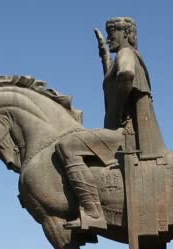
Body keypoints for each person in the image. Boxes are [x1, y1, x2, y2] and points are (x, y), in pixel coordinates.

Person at [55, 17, 166, 231]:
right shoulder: (125, 55)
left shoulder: (126, 54)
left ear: (125, 33)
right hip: (127, 130)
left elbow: (125, 74)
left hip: (127, 133)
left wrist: (119, 107)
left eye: (112, 32)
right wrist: (105, 56)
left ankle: (93, 212)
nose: (109, 37)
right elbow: (114, 77)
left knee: (67, 146)